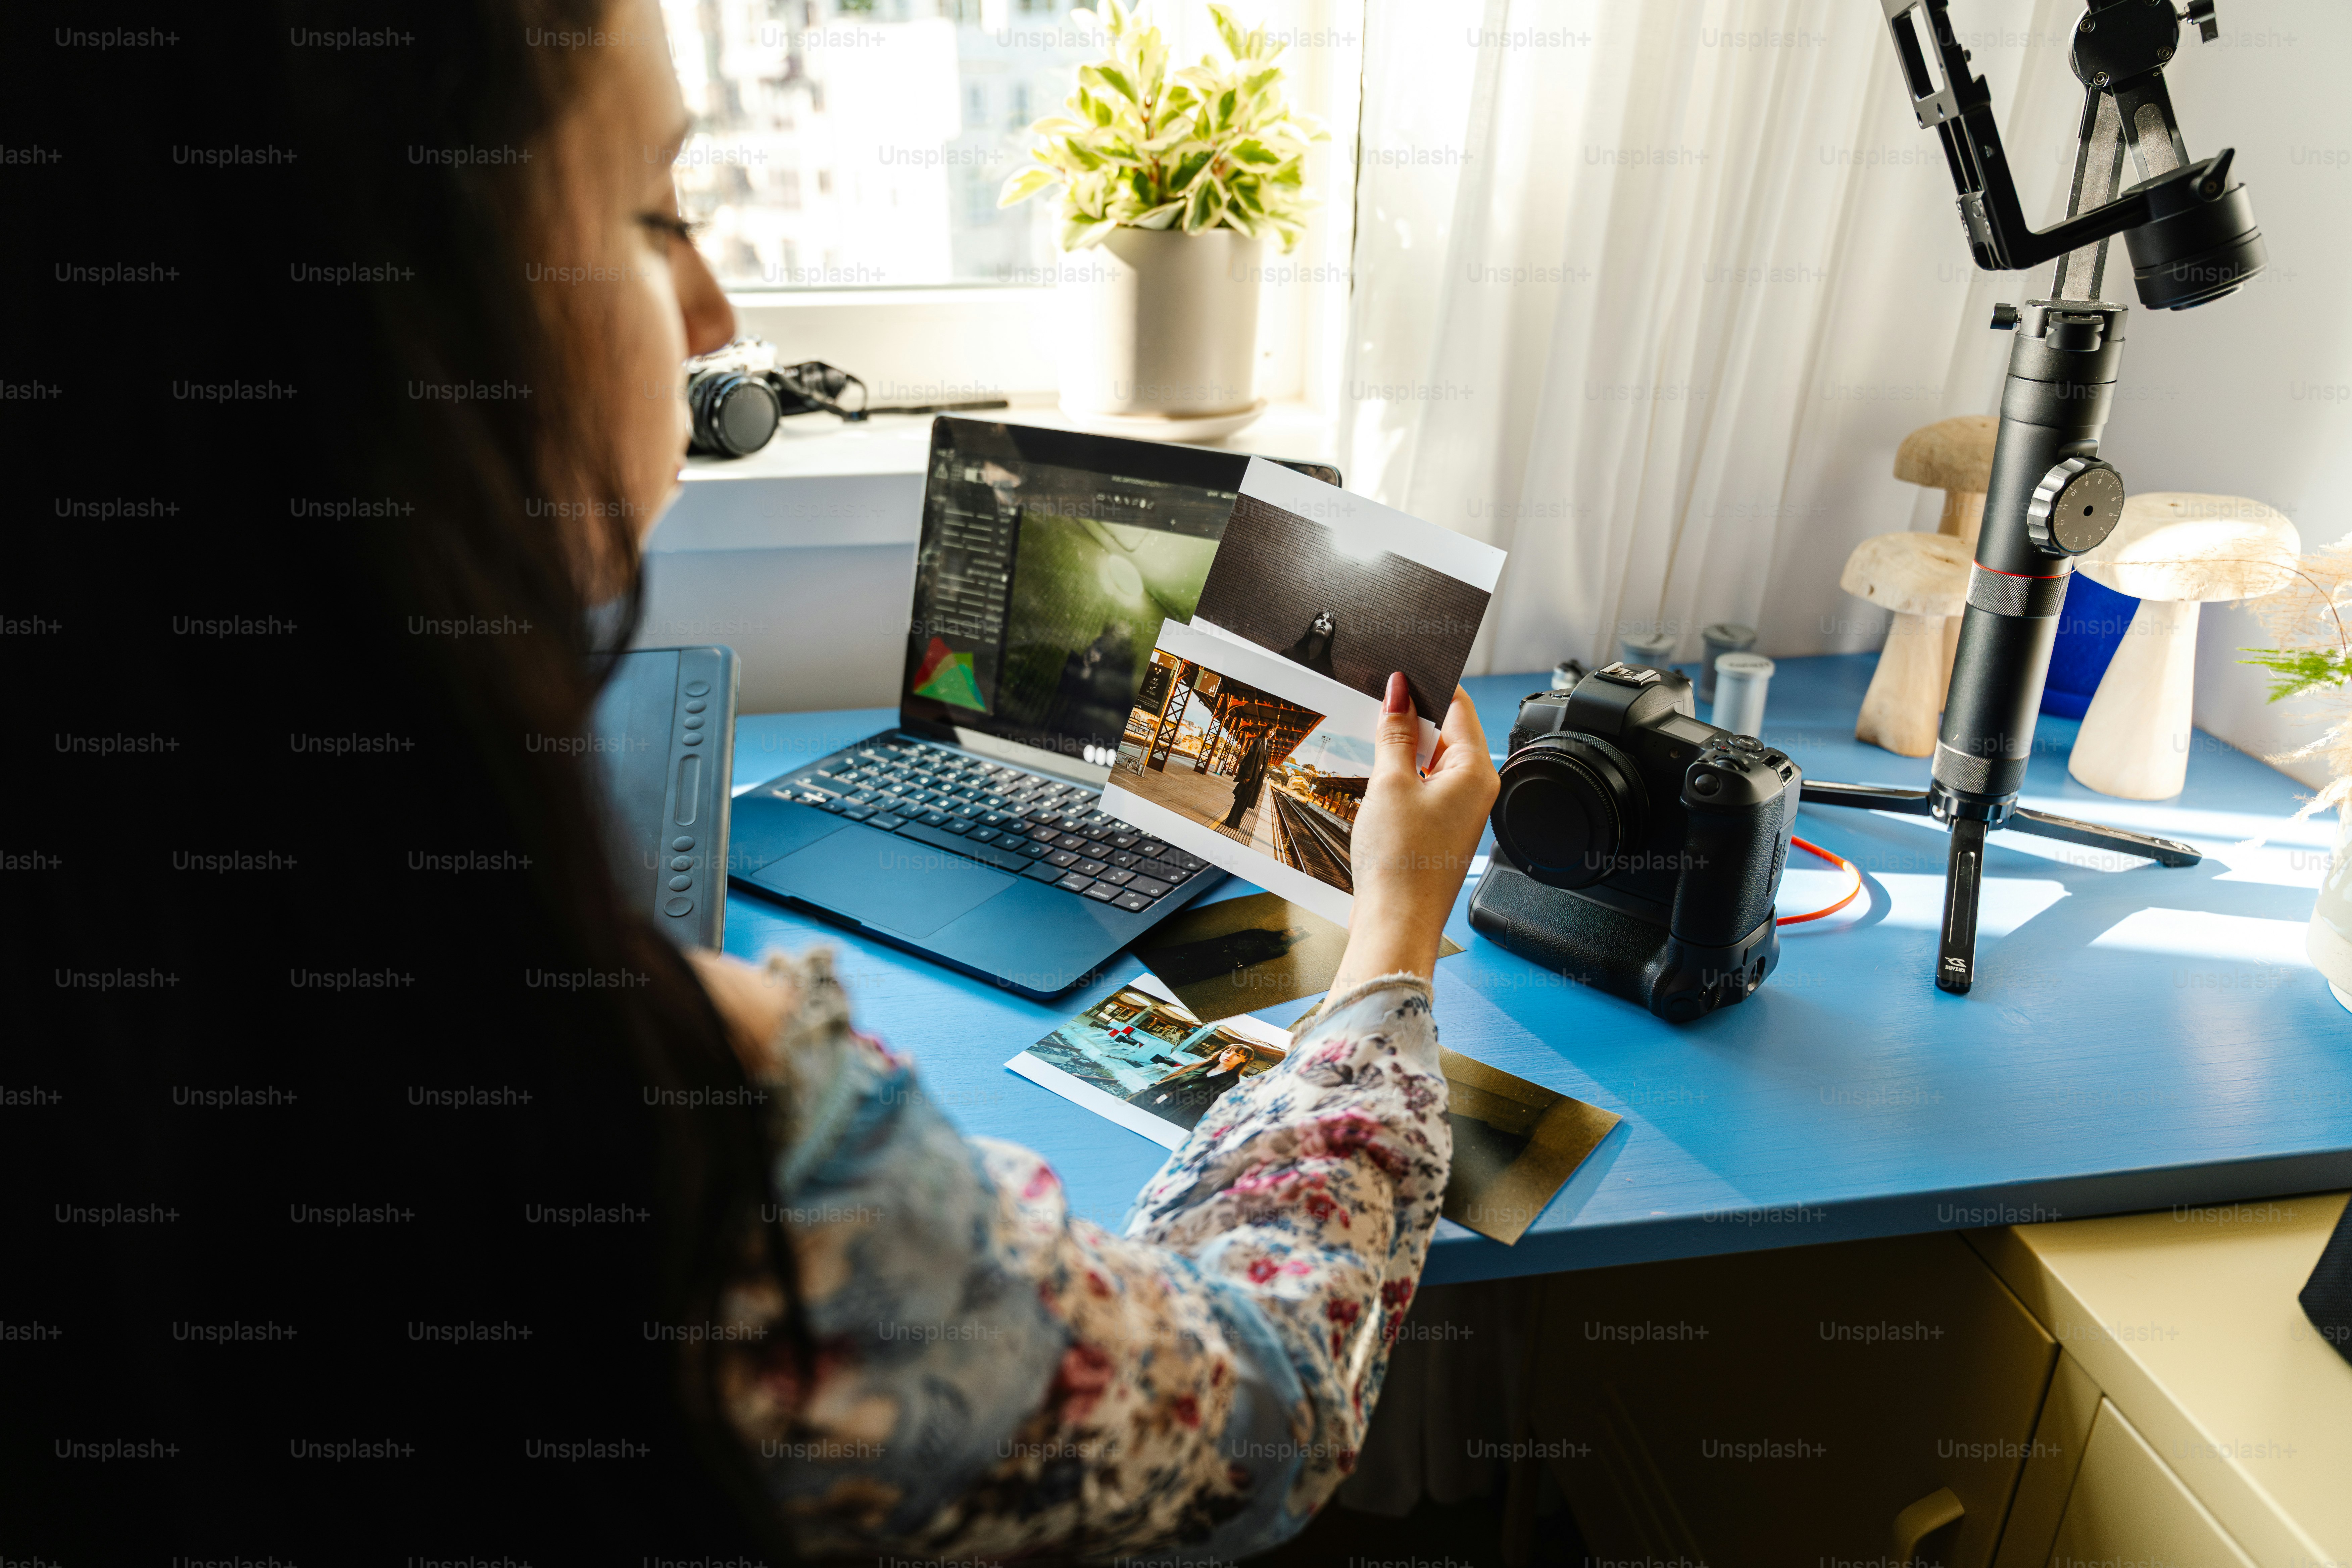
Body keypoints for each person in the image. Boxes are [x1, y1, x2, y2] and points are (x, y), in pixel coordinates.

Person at [13, 1, 1499, 1561]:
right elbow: (1252, 1408)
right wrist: (1390, 941)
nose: (716, 313)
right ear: (400, 310)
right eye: (656, 213)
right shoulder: (711, 1135)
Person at [1124, 1040, 1264, 1131]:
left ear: (1244, 1060)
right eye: (1228, 1052)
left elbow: (1207, 1109)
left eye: (1237, 1056)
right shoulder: (1197, 1066)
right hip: (1150, 1103)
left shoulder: (1232, 1084)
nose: (1230, 1056)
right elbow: (1165, 1082)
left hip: (1173, 1117)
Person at [1223, 731, 1275, 831]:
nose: (1272, 732)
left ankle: (1233, 822)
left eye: (1274, 731)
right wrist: (1247, 774)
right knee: (1242, 799)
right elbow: (1250, 759)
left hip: (1257, 777)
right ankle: (1232, 822)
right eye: (1271, 730)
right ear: (1267, 729)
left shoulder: (1266, 745)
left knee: (1246, 801)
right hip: (1251, 776)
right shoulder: (1259, 742)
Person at [1284, 608, 1341, 677]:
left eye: (1329, 622)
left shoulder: (1328, 674)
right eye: (1321, 618)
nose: (1324, 622)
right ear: (1311, 628)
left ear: (1330, 636)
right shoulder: (1288, 655)